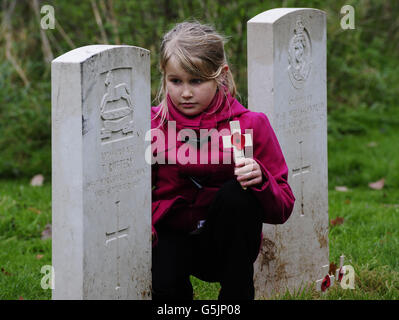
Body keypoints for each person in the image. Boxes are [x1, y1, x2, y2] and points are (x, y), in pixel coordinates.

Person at [150, 21, 295, 300]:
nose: (186, 93)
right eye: (175, 81)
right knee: (167, 286)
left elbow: (284, 206)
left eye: (197, 81)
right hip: (170, 241)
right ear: (164, 76)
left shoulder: (249, 125)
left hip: (225, 244)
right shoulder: (153, 126)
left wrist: (261, 179)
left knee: (237, 193)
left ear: (221, 75)